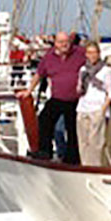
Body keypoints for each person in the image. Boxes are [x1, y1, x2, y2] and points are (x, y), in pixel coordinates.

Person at [17, 31, 86, 164]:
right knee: (44, 121)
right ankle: (44, 151)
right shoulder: (49, 57)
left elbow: (93, 59)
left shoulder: (79, 53)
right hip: (57, 98)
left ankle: (72, 158)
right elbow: (39, 74)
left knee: (72, 129)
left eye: (66, 42)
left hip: (75, 99)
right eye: (61, 42)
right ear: (55, 43)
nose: (64, 45)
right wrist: (29, 90)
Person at [76, 42, 111, 166]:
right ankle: (85, 165)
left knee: (96, 142)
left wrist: (102, 110)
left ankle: (95, 166)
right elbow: (80, 87)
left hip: (97, 109)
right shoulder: (83, 70)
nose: (92, 56)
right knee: (83, 142)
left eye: (94, 52)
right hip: (83, 108)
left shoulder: (106, 70)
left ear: (99, 54)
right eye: (89, 53)